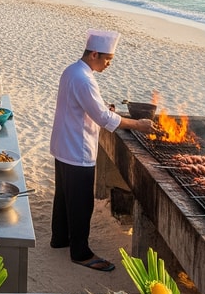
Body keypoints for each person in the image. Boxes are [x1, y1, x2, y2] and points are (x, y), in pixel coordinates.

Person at [49, 29, 157, 271]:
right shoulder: (84, 79)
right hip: (77, 147)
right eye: (108, 59)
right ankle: (80, 253)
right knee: (80, 203)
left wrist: (103, 108)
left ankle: (60, 239)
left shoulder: (72, 70)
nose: (109, 64)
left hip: (63, 144)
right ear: (95, 54)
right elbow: (102, 118)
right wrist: (138, 125)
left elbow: (86, 106)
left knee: (64, 196)